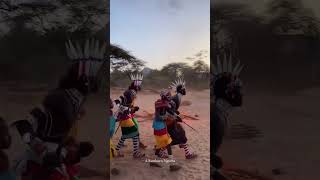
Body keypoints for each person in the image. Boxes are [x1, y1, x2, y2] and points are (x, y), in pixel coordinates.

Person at [211, 53, 244, 178]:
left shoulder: (218, 113)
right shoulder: (216, 117)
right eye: (238, 89)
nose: (241, 94)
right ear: (229, 92)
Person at [167, 77, 197, 159]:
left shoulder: (178, 97)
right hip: (169, 120)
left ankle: (160, 147)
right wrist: (176, 117)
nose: (185, 90)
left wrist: (176, 113)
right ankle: (187, 153)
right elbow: (169, 110)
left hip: (171, 119)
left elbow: (172, 109)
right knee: (179, 136)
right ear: (181, 90)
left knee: (180, 133)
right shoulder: (176, 98)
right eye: (184, 89)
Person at [152, 90, 181, 171]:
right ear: (166, 97)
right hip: (159, 126)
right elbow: (158, 117)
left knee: (159, 144)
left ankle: (154, 161)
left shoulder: (162, 103)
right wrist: (167, 117)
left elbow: (169, 111)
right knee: (168, 143)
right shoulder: (160, 104)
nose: (170, 97)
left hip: (159, 126)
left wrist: (176, 116)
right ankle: (172, 165)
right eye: (169, 96)